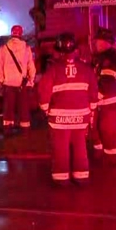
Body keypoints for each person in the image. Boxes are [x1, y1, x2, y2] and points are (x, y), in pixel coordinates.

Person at [38, 33, 99, 186]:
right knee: (80, 146)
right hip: (81, 117)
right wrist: (91, 110)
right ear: (75, 50)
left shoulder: (53, 69)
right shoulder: (86, 69)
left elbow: (43, 90)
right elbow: (93, 92)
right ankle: (81, 176)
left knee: (60, 147)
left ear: (58, 51)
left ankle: (61, 178)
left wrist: (45, 109)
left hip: (59, 119)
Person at [0, 25, 36, 135]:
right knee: (24, 107)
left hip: (8, 82)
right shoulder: (27, 48)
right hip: (22, 83)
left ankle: (7, 129)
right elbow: (31, 65)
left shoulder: (3, 48)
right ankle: (25, 129)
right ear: (21, 34)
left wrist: (2, 79)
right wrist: (31, 80)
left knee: (8, 107)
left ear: (11, 33)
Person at [92, 27, 116, 161]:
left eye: (98, 42)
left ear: (106, 43)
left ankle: (113, 155)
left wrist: (97, 95)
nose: (95, 44)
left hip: (108, 98)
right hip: (102, 98)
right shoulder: (101, 57)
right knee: (96, 126)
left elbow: (107, 79)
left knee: (107, 127)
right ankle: (100, 151)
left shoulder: (109, 58)